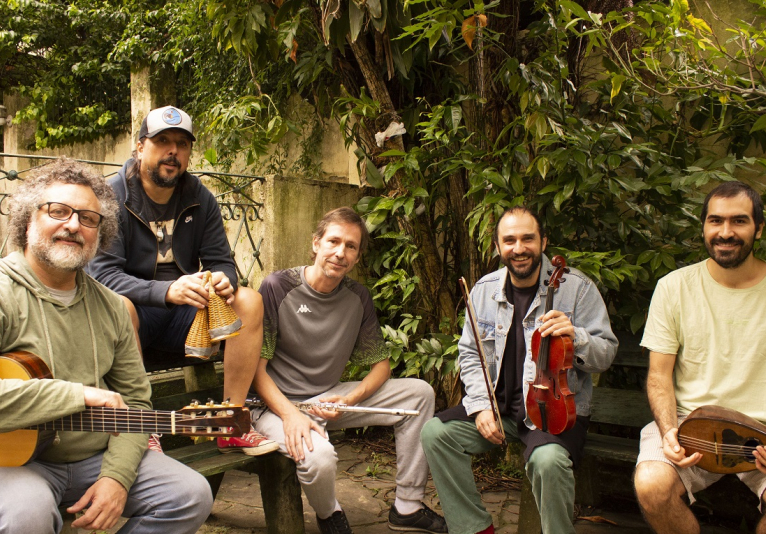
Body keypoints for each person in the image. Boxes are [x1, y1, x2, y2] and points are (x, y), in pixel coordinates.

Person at [0, 158, 213, 533]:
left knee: (189, 494)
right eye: (58, 211)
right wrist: (76, 395)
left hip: (91, 457)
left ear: (100, 232)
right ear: (28, 219)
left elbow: (136, 403)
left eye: (88, 218)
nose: (73, 225)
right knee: (27, 513)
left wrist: (116, 477)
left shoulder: (112, 306)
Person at [88, 106, 276, 455]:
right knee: (120, 305)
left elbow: (222, 260)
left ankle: (229, 420)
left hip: (185, 318)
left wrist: (224, 280)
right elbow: (103, 276)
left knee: (249, 300)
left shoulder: (199, 197)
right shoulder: (112, 196)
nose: (173, 151)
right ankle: (140, 426)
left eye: (182, 144)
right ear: (141, 147)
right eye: (162, 142)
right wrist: (167, 290)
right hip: (132, 317)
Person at [420, 206, 618, 534]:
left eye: (528, 238)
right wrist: (482, 405)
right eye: (509, 240)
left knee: (548, 461)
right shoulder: (484, 290)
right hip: (500, 410)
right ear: (498, 247)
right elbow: (470, 353)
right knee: (436, 434)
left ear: (543, 242)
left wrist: (576, 336)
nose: (519, 248)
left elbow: (606, 353)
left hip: (553, 412)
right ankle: (474, 528)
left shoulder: (577, 288)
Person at [250, 207, 447, 534]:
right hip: (276, 406)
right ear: (316, 243)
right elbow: (256, 372)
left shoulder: (358, 297)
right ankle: (330, 515)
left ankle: (408, 506)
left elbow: (380, 368)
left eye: (351, 246)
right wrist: (290, 415)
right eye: (333, 241)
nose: (340, 253)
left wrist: (349, 398)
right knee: (321, 459)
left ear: (357, 257)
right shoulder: (277, 287)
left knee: (420, 395)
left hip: (329, 398)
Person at [634, 181, 766, 533]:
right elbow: (659, 376)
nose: (726, 232)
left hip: (763, 433)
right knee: (651, 484)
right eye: (715, 221)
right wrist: (669, 432)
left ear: (759, 228)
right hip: (689, 424)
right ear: (704, 227)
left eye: (739, 221)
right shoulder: (674, 287)